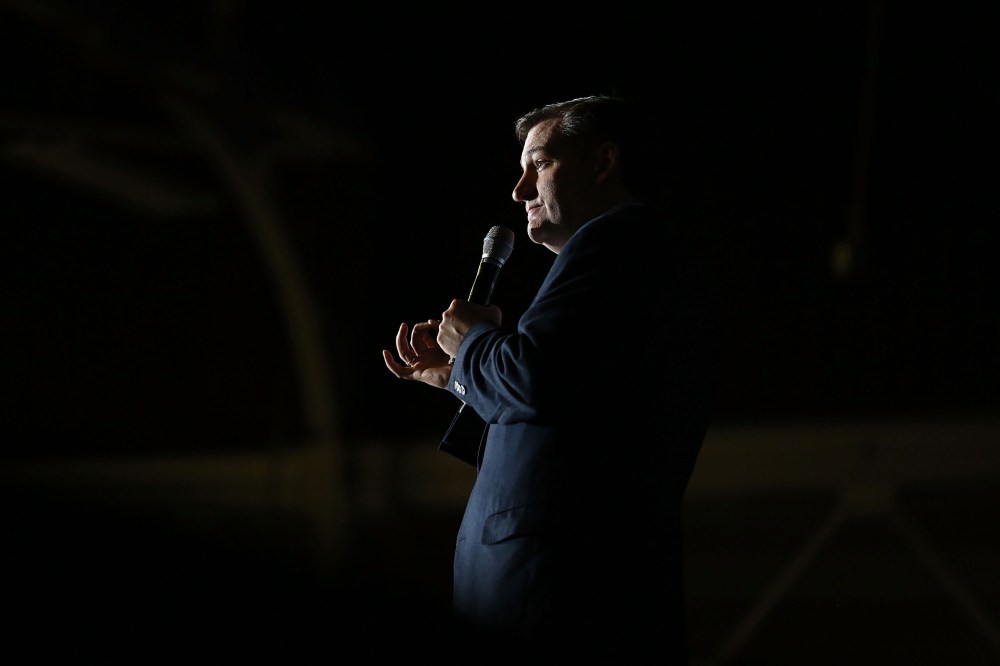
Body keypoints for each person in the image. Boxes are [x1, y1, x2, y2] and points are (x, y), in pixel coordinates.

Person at [382, 94, 718, 661]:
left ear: (603, 162)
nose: (518, 191)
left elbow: (539, 379)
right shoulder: (634, 257)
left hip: (561, 597)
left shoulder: (617, 241)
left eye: (538, 163)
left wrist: (474, 345)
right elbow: (568, 409)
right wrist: (459, 375)